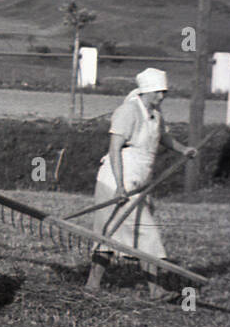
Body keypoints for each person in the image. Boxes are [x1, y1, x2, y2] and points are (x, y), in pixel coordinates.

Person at [84, 68, 197, 297]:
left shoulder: (154, 113)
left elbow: (161, 137)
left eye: (164, 92)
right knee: (142, 234)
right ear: (145, 91)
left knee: (111, 235)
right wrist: (119, 186)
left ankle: (92, 286)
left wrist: (184, 150)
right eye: (158, 92)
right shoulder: (127, 111)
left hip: (138, 183)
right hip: (116, 182)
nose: (162, 97)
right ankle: (156, 290)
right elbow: (114, 150)